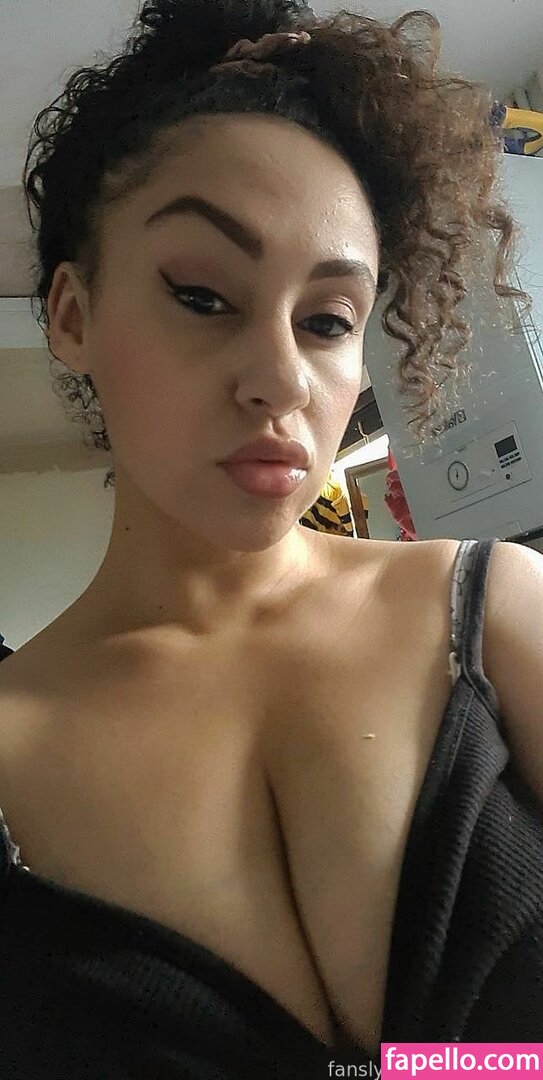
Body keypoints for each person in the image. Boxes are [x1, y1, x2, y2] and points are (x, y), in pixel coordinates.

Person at [1, 2, 542, 1076]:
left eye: (329, 320)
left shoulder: (495, 610)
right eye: (203, 295)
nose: (283, 381)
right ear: (70, 315)